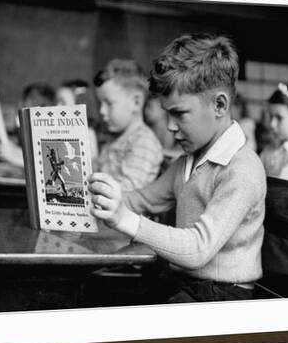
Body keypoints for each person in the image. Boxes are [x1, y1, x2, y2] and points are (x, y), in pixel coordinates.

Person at [89, 33, 266, 303]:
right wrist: (102, 197)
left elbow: (197, 248)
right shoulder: (188, 160)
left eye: (179, 113)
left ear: (219, 105)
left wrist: (125, 219)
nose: (170, 126)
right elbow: (140, 200)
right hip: (183, 282)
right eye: (167, 113)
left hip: (221, 296)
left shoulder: (242, 169)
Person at [93, 58, 163, 191]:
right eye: (100, 104)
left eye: (109, 103)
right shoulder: (113, 139)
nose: (101, 111)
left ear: (136, 103)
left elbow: (130, 190)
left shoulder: (144, 142)